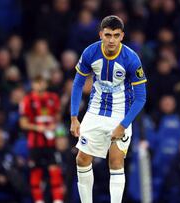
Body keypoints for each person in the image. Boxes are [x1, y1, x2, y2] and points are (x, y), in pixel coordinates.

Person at [70, 15, 147, 203]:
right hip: (95, 111)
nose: (111, 39)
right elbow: (78, 84)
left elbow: (141, 98)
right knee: (81, 159)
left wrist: (124, 124)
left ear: (122, 36)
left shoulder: (131, 58)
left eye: (116, 35)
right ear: (100, 35)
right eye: (107, 35)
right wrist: (74, 117)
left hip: (121, 114)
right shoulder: (90, 53)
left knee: (115, 161)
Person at [20, 76, 64, 203]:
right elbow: (23, 123)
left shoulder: (53, 98)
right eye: (36, 82)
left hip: (51, 142)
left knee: (55, 170)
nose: (39, 85)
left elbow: (58, 117)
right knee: (36, 171)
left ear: (45, 83)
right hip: (35, 143)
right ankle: (38, 201)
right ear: (33, 84)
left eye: (41, 82)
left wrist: (53, 125)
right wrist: (37, 128)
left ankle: (58, 200)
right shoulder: (27, 100)